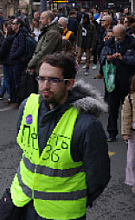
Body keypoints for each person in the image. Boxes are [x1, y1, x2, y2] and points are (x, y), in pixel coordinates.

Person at [7, 53, 110, 220]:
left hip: (61, 213)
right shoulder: (27, 106)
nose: (44, 86)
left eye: (53, 80)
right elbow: (26, 149)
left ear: (69, 84)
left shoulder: (87, 125)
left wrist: (74, 199)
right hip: (23, 202)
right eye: (41, 78)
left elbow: (98, 177)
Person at [100, 24, 135, 142]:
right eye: (115, 36)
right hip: (113, 80)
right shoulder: (109, 43)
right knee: (112, 108)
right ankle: (111, 132)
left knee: (128, 109)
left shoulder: (133, 43)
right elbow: (102, 57)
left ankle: (127, 133)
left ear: (124, 34)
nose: (117, 38)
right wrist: (107, 58)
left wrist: (123, 58)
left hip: (128, 79)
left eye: (119, 36)